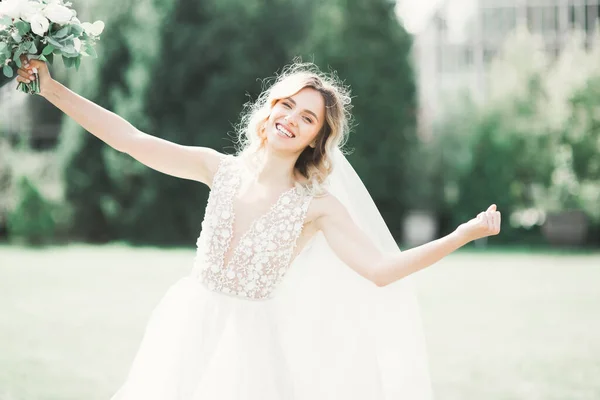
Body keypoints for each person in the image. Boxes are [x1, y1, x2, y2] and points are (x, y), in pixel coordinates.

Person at [17, 56, 501, 399]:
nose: (292, 118)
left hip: (248, 350)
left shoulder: (318, 207)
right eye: (287, 105)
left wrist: (461, 235)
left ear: (317, 138)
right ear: (270, 108)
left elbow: (380, 270)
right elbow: (130, 139)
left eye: (308, 117)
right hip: (186, 328)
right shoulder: (217, 168)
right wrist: (50, 87)